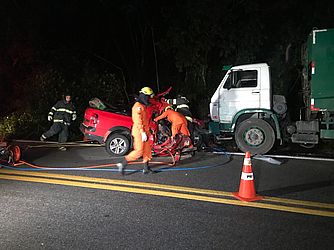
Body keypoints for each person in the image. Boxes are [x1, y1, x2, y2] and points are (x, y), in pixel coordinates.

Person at [117, 87, 154, 175]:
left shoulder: (143, 106)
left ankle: (146, 168)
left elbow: (145, 120)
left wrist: (148, 131)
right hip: (139, 132)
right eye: (148, 97)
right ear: (144, 96)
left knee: (147, 150)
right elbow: (138, 121)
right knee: (139, 151)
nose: (149, 99)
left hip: (145, 131)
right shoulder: (137, 107)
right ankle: (123, 163)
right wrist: (142, 132)